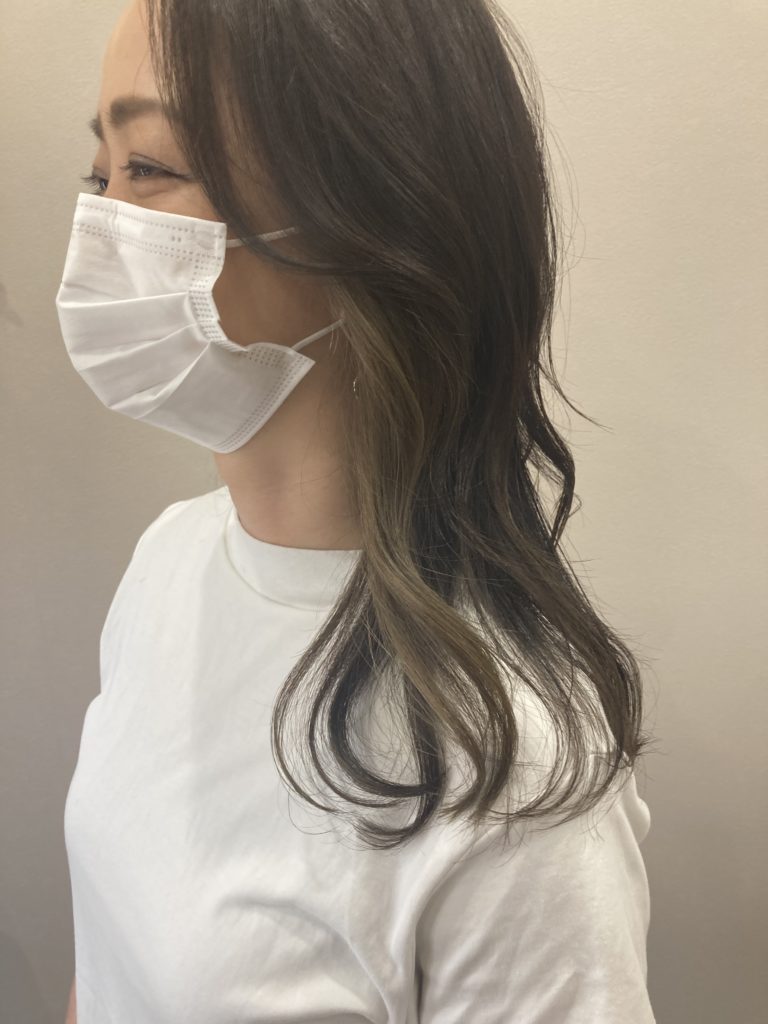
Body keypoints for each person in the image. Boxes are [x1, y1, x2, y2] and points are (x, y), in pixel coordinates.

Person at [59, 1, 656, 1021]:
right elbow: (108, 957)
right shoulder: (169, 560)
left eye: (149, 167)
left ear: (368, 219)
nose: (103, 223)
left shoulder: (512, 777)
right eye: (98, 174)